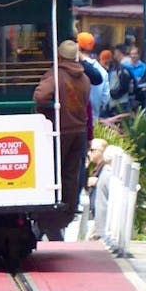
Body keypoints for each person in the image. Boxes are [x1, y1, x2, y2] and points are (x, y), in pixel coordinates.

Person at [34, 39, 91, 237]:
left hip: (60, 129)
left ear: (59, 55)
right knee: (70, 174)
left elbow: (40, 96)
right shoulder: (84, 78)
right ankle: (65, 214)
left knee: (52, 172)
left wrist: (44, 111)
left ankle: (48, 219)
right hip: (79, 131)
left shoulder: (56, 75)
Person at [76, 33, 110, 124]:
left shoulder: (75, 67)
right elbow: (105, 99)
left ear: (77, 47)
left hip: (75, 121)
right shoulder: (103, 72)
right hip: (94, 121)